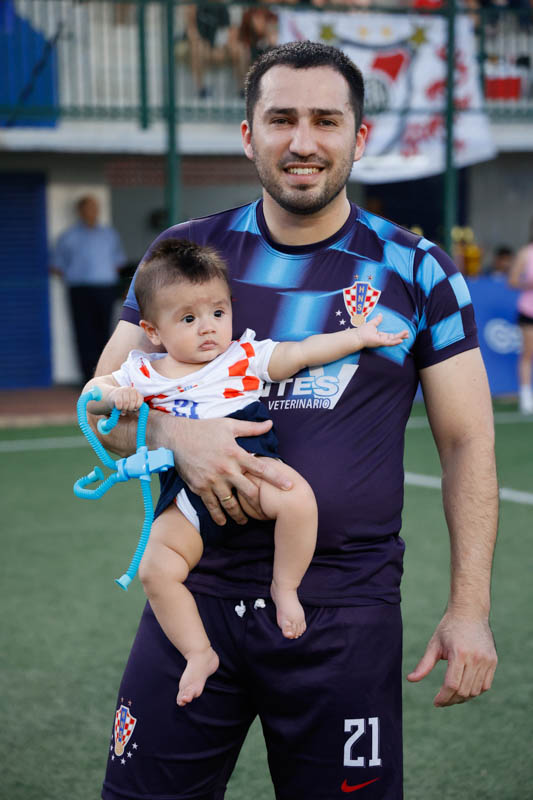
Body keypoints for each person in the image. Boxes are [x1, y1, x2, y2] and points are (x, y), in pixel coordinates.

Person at [96, 42, 498, 799]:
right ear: (248, 135)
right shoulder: (185, 255)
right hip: (195, 595)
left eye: (325, 120)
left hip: (345, 611)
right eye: (281, 119)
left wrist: (469, 608)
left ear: (359, 136)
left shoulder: (418, 270)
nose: (303, 141)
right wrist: (174, 432)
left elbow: (467, 441)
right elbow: (98, 407)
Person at [84, 236, 408, 707]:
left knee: (298, 498)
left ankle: (285, 586)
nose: (208, 328)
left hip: (255, 470)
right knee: (156, 569)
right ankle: (198, 652)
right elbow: (91, 396)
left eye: (218, 312)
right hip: (186, 493)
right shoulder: (143, 371)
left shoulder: (242, 357)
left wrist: (356, 338)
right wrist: (115, 395)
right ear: (153, 330)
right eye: (188, 319)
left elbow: (302, 353)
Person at [51, 194, 126, 383]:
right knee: (83, 333)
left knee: (105, 331)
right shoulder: (68, 236)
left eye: (95, 208)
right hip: (79, 290)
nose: (92, 212)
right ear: (80, 211)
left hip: (105, 289)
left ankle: (105, 376)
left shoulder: (109, 235)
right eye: (88, 208)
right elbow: (56, 266)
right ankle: (87, 378)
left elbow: (118, 262)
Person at [508, 228, 533, 414]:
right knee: (528, 353)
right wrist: (528, 284)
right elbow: (513, 281)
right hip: (528, 310)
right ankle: (525, 396)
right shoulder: (526, 253)